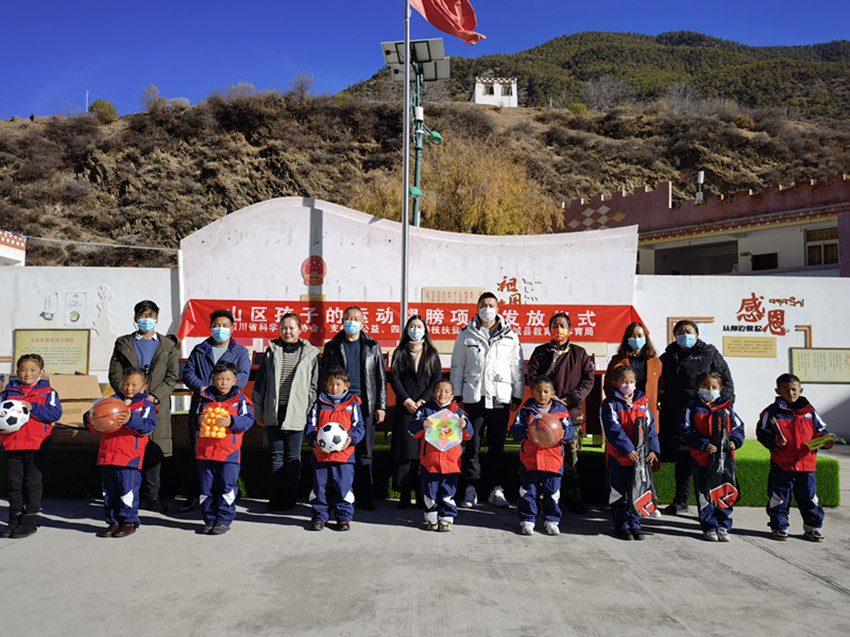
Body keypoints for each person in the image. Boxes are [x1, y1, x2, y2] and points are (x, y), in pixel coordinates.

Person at [451, 292, 524, 509]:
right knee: (472, 446)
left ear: (498, 309)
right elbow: (458, 366)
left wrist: (517, 395)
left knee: (497, 447)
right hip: (474, 397)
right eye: (483, 305)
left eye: (491, 305)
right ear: (477, 308)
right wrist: (457, 395)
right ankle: (470, 488)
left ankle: (496, 489)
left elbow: (517, 367)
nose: (487, 309)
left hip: (500, 398)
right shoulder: (466, 334)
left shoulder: (510, 335)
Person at [108, 299, 179, 513]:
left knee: (154, 452)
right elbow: (115, 372)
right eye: (142, 315)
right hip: (129, 404)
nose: (146, 320)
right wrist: (128, 392)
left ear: (157, 319)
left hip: (155, 404)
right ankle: (129, 496)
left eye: (150, 316)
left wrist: (154, 397)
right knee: (128, 449)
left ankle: (152, 497)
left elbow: (172, 376)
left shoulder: (167, 345)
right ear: (135, 318)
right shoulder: (124, 343)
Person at [658, 319, 734, 515]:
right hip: (677, 414)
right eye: (680, 332)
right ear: (675, 336)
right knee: (683, 458)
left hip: (705, 415)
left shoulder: (710, 354)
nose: (685, 335)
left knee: (708, 460)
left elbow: (726, 383)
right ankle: (680, 501)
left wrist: (724, 408)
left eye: (688, 331)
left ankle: (711, 503)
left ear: (697, 334)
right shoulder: (667, 357)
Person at [181, 309, 251, 513]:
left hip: (228, 409)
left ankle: (224, 500)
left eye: (225, 326)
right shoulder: (200, 349)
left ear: (232, 328)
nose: (220, 329)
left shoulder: (239, 351)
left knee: (226, 456)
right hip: (204, 407)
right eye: (216, 326)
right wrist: (202, 388)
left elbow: (243, 375)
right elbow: (188, 373)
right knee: (199, 454)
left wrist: (227, 388)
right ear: (211, 327)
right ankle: (194, 497)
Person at [526, 312, 594, 514]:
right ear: (549, 329)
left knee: (571, 459)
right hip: (544, 415)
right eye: (555, 325)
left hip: (570, 414)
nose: (558, 329)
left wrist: (569, 399)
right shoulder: (540, 352)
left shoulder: (579, 353)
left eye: (562, 325)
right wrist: (548, 397)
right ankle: (542, 499)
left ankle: (572, 499)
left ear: (570, 329)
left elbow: (588, 380)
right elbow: (532, 377)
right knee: (543, 458)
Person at [320, 306, 386, 510]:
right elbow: (324, 377)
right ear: (342, 321)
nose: (352, 321)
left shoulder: (372, 345)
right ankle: (337, 496)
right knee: (337, 450)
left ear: (363, 322)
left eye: (356, 318)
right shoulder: (333, 346)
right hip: (339, 405)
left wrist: (381, 406)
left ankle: (364, 496)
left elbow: (380, 378)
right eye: (348, 318)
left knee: (365, 452)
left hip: (365, 404)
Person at [253, 313, 319, 511]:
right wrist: (258, 411)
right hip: (274, 410)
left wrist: (309, 412)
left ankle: (290, 498)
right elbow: (261, 383)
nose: (287, 331)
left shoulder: (310, 354)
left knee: (292, 456)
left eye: (291, 328)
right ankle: (275, 497)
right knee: (276, 456)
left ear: (300, 329)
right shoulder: (271, 351)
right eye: (283, 328)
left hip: (297, 412)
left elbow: (313, 387)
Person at [756, 373, 833, 542]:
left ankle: (813, 528)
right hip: (782, 465)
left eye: (793, 389)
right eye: (785, 389)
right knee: (779, 498)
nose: (790, 393)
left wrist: (826, 441)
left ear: (800, 390)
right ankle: (779, 527)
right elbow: (762, 433)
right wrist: (774, 442)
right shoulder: (771, 412)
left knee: (809, 498)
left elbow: (821, 431)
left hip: (806, 465)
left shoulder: (810, 411)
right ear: (777, 391)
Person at [85, 368, 157, 538]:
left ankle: (128, 521)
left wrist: (131, 418)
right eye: (126, 384)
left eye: (134, 384)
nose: (129, 388)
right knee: (109, 493)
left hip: (129, 458)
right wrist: (89, 418)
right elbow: (95, 427)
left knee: (127, 491)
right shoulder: (109, 402)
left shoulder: (146, 406)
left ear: (144, 386)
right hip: (107, 455)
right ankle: (113, 522)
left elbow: (148, 427)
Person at [0, 354, 62, 538]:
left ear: (42, 372)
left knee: (32, 482)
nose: (27, 374)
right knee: (14, 483)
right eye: (23, 370)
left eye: (33, 370)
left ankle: (30, 519)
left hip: (36, 444)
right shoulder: (8, 392)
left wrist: (32, 407)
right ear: (17, 371)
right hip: (12, 444)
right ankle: (14, 518)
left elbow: (55, 414)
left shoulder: (48, 392)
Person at [680, 372, 744, 542]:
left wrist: (734, 441)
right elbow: (686, 431)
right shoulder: (691, 410)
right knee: (705, 494)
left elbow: (738, 428)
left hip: (725, 460)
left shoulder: (728, 409)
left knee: (724, 491)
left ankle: (723, 525)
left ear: (720, 389)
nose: (709, 390)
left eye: (714, 387)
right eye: (705, 386)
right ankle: (709, 526)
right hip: (702, 459)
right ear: (698, 388)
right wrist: (703, 444)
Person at [388, 315, 442, 509]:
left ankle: (421, 495)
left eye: (419, 326)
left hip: (426, 409)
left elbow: (436, 378)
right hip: (405, 408)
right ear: (406, 330)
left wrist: (423, 400)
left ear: (425, 330)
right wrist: (407, 400)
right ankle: (403, 495)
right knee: (404, 453)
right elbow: (394, 378)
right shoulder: (400, 352)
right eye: (412, 326)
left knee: (422, 453)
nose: (416, 329)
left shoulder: (431, 353)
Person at [600, 365, 660, 541]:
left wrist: (653, 449)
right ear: (615, 383)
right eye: (624, 382)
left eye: (631, 382)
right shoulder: (610, 404)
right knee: (619, 493)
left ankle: (635, 524)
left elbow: (650, 428)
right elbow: (613, 429)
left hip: (640, 458)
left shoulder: (642, 402)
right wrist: (628, 449)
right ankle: (622, 525)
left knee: (637, 491)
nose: (628, 386)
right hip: (619, 457)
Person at [195, 361, 254, 535]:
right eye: (220, 379)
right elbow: (194, 419)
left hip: (229, 453)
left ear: (235, 380)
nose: (223, 383)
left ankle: (223, 520)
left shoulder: (240, 400)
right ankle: (209, 519)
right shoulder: (204, 398)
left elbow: (248, 420)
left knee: (227, 486)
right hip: (206, 452)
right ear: (213, 379)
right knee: (207, 488)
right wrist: (198, 420)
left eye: (228, 379)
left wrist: (232, 421)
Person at [510, 376, 574, 536]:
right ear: (532, 392)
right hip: (530, 459)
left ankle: (552, 520)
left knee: (552, 492)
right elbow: (515, 429)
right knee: (528, 491)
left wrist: (563, 434)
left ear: (552, 393)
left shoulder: (561, 411)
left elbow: (570, 432)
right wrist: (524, 432)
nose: (542, 395)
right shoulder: (526, 410)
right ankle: (527, 520)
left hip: (552, 459)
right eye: (538, 391)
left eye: (546, 391)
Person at [305, 367, 365, 531]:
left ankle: (343, 518)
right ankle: (319, 517)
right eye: (331, 384)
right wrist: (313, 440)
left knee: (343, 487)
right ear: (325, 384)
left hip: (344, 456)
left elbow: (359, 427)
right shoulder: (319, 403)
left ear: (346, 386)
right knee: (320, 488)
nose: (334, 388)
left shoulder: (352, 404)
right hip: (321, 455)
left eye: (338, 385)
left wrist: (351, 439)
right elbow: (310, 425)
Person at [408, 380, 472, 531]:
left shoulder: (458, 412)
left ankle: (446, 517)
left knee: (448, 492)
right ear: (433, 393)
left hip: (451, 462)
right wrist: (422, 424)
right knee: (430, 492)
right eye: (439, 391)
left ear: (452, 396)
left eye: (446, 392)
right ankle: (431, 517)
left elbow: (469, 435)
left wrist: (465, 425)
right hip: (430, 462)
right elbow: (412, 430)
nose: (442, 394)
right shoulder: (425, 410)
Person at [604, 321, 661, 428]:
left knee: (649, 438)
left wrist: (652, 400)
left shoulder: (655, 362)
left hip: (648, 413)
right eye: (632, 336)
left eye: (639, 335)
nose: (636, 339)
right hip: (624, 412)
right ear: (627, 339)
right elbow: (608, 386)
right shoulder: (617, 360)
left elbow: (661, 387)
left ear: (645, 338)